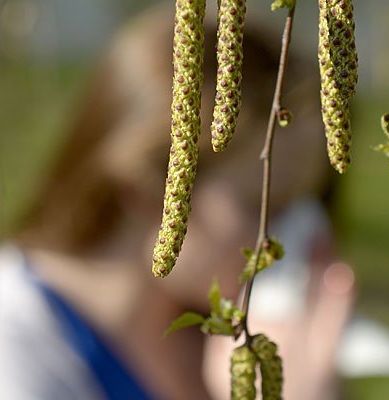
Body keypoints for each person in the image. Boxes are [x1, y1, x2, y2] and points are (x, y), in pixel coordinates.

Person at [0, 3, 356, 399]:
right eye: (264, 205)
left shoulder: (222, 342)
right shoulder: (18, 350)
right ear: (144, 189)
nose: (301, 236)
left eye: (311, 206)